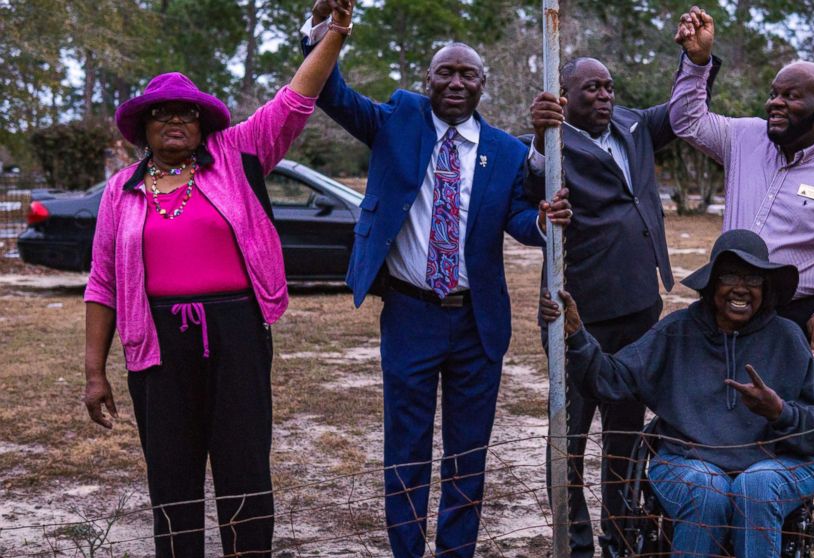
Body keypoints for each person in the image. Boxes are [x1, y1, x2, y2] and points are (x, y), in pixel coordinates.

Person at [80, 2, 354, 555]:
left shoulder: (236, 154)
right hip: (155, 343)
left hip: (237, 332)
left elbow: (295, 100)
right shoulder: (120, 190)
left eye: (186, 112)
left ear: (203, 122)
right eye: (161, 114)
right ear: (145, 128)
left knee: (244, 464)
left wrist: (335, 34)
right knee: (171, 474)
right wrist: (94, 372)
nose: (175, 120)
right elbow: (103, 281)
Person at [299, 2, 572, 556]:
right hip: (411, 314)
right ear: (428, 80)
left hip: (478, 322)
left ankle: (455, 551)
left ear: (482, 85)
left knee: (467, 454)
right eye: (444, 72)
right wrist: (322, 34)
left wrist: (542, 220)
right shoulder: (396, 121)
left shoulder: (504, 150)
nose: (454, 81)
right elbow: (332, 95)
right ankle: (407, 550)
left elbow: (518, 220)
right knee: (407, 448)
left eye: (466, 73)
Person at [526, 55, 719, 556]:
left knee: (626, 434)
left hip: (639, 308)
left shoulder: (634, 125)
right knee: (567, 439)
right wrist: (538, 138)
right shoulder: (552, 143)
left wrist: (696, 63)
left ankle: (621, 538)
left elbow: (681, 112)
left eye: (609, 85)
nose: (605, 95)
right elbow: (532, 186)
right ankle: (577, 543)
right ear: (563, 97)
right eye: (592, 88)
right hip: (577, 314)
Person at [540, 229, 814, 556]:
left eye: (753, 279)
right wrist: (578, 337)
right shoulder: (677, 331)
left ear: (765, 287)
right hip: (689, 460)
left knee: (756, 487)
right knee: (704, 490)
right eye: (730, 276)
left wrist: (779, 412)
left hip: (775, 463)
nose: (741, 288)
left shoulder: (788, 338)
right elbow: (611, 378)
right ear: (711, 283)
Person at [671, 7, 814, 376]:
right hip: (725, 307)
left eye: (791, 96)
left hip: (795, 319)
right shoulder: (743, 137)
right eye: (773, 94)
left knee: (784, 428)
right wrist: (698, 62)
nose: (774, 103)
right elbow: (687, 121)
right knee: (713, 418)